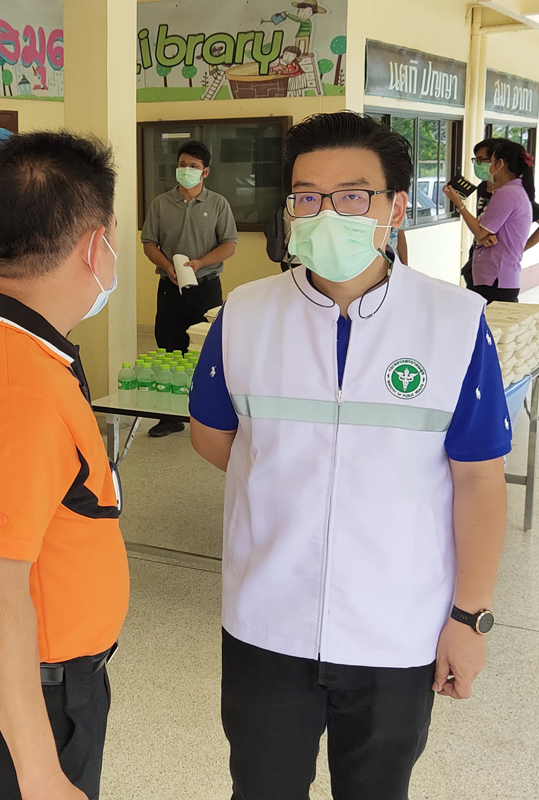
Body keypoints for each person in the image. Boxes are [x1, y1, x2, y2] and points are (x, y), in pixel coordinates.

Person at [187, 110, 511, 800]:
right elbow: (212, 435)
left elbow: (480, 481)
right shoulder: (245, 314)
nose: (327, 213)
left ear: (395, 207)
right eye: (307, 197)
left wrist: (469, 619)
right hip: (266, 621)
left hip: (398, 624)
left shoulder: (454, 322)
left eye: (352, 196)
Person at [0, 131, 129, 800]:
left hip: (27, 683)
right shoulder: (18, 383)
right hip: (31, 698)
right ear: (95, 245)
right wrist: (39, 773)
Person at [142, 139, 238, 437]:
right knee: (168, 345)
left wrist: (200, 263)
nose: (186, 170)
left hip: (206, 287)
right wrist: (168, 266)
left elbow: (229, 245)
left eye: (193, 166)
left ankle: (206, 413)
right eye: (182, 164)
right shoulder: (160, 203)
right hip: (170, 288)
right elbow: (149, 243)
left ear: (205, 172)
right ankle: (169, 417)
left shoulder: (218, 204)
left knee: (205, 349)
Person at [444, 138, 539, 286]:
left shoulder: (509, 194)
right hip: (481, 261)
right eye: (475, 160)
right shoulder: (486, 188)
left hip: (497, 271)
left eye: (482, 160)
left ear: (499, 163)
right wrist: (484, 237)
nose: (478, 165)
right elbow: (483, 228)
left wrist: (516, 249)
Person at [460, 138, 536, 303]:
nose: (484, 166)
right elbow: (489, 233)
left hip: (495, 278)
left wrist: (459, 205)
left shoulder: (507, 193)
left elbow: (481, 233)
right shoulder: (512, 190)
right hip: (494, 277)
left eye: (488, 161)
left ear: (500, 163)